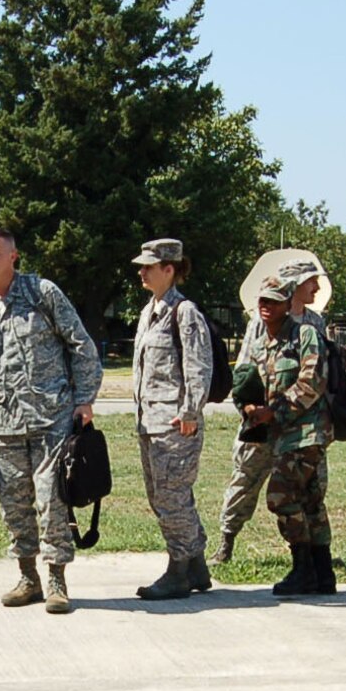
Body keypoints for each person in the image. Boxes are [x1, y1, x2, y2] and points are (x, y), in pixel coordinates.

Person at [0, 228, 102, 614]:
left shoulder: (42, 294)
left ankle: (56, 580)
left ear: (13, 256)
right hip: (4, 426)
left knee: (52, 501)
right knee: (14, 505)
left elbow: (81, 346)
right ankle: (28, 577)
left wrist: (84, 399)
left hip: (51, 419)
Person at [211, 253, 325, 565]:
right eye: (311, 281)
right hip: (262, 419)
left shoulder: (315, 324)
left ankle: (312, 555)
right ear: (295, 285)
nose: (316, 287)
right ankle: (226, 539)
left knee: (309, 489)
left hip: (301, 424)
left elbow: (318, 378)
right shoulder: (259, 324)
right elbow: (245, 370)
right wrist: (249, 408)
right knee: (245, 479)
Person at [127, 238, 215, 600]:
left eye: (149, 266)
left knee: (172, 498)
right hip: (151, 422)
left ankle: (178, 570)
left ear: (170, 270)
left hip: (176, 424)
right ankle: (196, 565)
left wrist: (190, 413)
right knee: (162, 497)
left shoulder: (184, 312)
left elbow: (198, 366)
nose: (142, 272)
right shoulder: (151, 311)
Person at [238, 266, 333, 597]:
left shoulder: (304, 334)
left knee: (280, 497)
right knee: (309, 503)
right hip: (280, 435)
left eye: (275, 301)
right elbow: (251, 384)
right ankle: (323, 574)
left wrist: (274, 411)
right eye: (263, 301)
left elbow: (312, 382)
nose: (267, 307)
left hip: (307, 433)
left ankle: (303, 570)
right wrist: (249, 408)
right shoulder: (263, 343)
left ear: (287, 302)